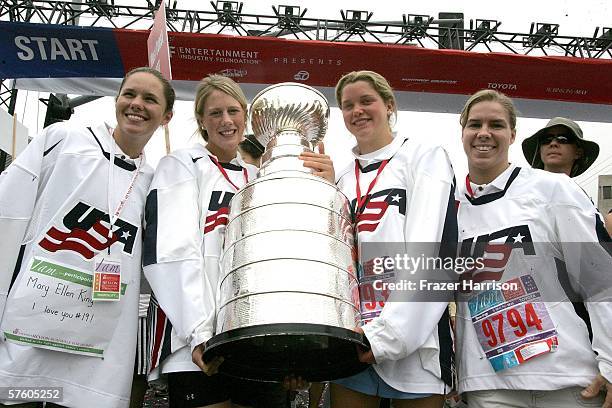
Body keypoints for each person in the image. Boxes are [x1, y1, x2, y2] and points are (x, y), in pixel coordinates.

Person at [0, 66, 175, 408]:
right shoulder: (65, 141)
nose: (137, 104)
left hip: (96, 355)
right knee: (22, 399)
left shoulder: (155, 184)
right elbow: (8, 213)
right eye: (130, 94)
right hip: (30, 338)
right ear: (116, 99)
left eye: (150, 99)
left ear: (166, 117)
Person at [144, 75, 309, 408]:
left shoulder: (260, 178)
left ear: (245, 117)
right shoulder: (181, 165)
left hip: (255, 341)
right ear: (202, 121)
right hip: (198, 344)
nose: (226, 120)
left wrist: (292, 349)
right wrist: (199, 332)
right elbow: (172, 252)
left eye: (233, 111)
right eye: (215, 113)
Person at [455, 89, 612, 407]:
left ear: (512, 134)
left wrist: (610, 362)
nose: (484, 133)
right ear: (463, 132)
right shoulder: (446, 206)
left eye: (496, 125)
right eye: (475, 124)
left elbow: (600, 281)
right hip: (488, 384)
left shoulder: (552, 188)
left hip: (566, 379)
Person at [331, 70, 457, 408]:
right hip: (354, 338)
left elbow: (431, 251)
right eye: (348, 105)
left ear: (389, 105)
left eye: (366, 101)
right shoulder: (341, 177)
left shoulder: (424, 157)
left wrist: (389, 334)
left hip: (414, 339)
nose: (357, 111)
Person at [521, 117, 599, 178]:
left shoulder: (579, 196)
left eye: (563, 139)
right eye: (546, 139)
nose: (553, 143)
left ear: (578, 153)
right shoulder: (520, 190)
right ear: (539, 151)